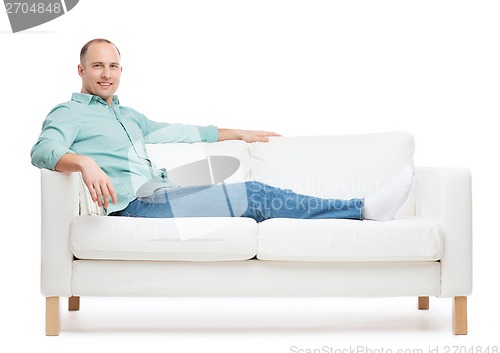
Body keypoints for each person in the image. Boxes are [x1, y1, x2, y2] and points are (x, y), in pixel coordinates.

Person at [31, 38, 413, 222]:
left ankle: (359, 209)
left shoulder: (129, 115)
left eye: (113, 66)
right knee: (257, 194)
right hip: (134, 208)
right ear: (81, 71)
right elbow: (42, 151)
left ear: (120, 71)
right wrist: (83, 161)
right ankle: (362, 210)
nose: (106, 74)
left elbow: (183, 131)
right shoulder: (69, 113)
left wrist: (241, 133)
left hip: (161, 194)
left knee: (259, 194)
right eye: (97, 66)